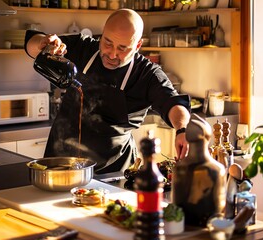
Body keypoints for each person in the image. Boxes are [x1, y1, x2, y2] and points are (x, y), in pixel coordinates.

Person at [25, 9, 191, 174]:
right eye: (108, 43)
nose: (112, 54)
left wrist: (181, 130)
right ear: (102, 34)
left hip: (113, 172)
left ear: (138, 45)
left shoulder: (147, 75)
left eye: (122, 48)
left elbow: (173, 104)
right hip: (60, 164)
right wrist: (44, 43)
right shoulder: (83, 48)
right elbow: (31, 45)